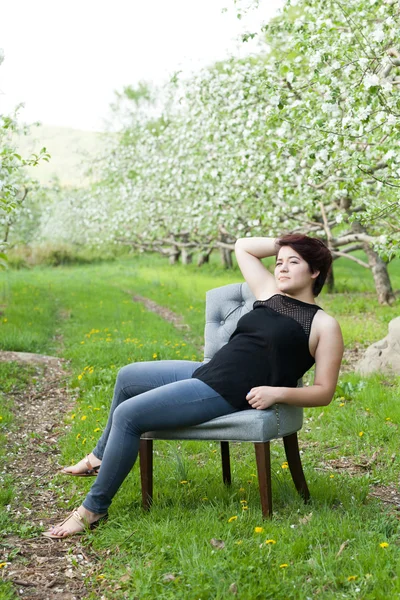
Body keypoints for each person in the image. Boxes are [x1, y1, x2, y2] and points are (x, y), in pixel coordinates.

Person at [43, 234, 343, 539]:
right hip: (209, 371)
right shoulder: (269, 293)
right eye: (279, 262)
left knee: (128, 416)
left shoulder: (322, 325)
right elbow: (243, 246)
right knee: (127, 376)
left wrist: (277, 393)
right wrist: (289, 243)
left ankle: (93, 510)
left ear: (315, 271)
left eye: (293, 262)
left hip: (228, 392)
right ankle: (99, 457)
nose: (281, 268)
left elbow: (324, 391)